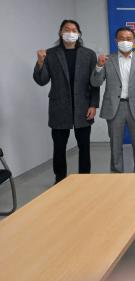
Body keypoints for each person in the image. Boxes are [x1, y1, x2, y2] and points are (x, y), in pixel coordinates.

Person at [33, 20, 99, 183]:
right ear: (60, 32)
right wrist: (40, 62)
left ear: (79, 33)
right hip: (59, 106)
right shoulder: (50, 54)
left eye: (74, 29)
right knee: (59, 147)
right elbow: (42, 80)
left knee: (84, 146)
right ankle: (60, 179)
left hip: (83, 106)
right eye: (66, 29)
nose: (70, 32)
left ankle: (84, 179)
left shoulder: (89, 54)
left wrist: (93, 104)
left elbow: (94, 83)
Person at [91, 26, 135, 173]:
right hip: (114, 108)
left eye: (129, 39)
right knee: (115, 145)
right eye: (122, 38)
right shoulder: (107, 60)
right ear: (116, 40)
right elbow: (95, 83)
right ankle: (117, 175)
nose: (125, 41)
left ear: (134, 41)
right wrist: (99, 66)